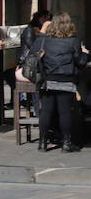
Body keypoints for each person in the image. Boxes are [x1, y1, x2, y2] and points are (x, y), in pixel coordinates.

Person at [30, 12, 88, 152]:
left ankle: (42, 143)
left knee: (46, 112)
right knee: (65, 112)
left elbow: (32, 56)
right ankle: (66, 143)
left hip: (47, 80)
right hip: (66, 80)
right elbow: (80, 62)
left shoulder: (43, 40)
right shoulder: (73, 41)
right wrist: (85, 53)